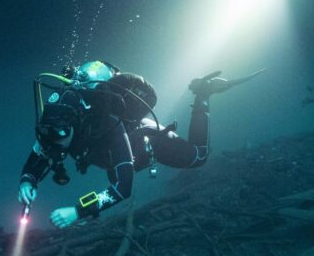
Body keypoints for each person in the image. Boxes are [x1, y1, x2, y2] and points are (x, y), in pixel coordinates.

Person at [16, 61, 258, 228]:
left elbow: (124, 188)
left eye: (58, 137)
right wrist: (28, 179)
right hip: (109, 157)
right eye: (49, 136)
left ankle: (203, 94)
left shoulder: (109, 125)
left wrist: (77, 212)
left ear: (74, 124)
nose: (54, 145)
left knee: (198, 157)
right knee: (112, 172)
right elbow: (41, 152)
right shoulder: (57, 122)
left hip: (146, 139)